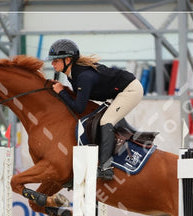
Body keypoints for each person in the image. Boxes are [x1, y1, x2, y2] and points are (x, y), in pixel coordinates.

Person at [47, 39, 144, 181]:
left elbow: (79, 108)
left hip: (131, 90)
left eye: (55, 60)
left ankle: (106, 167)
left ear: (68, 59)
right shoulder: (74, 73)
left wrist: (62, 92)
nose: (52, 64)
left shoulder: (83, 76)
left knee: (106, 121)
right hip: (118, 92)